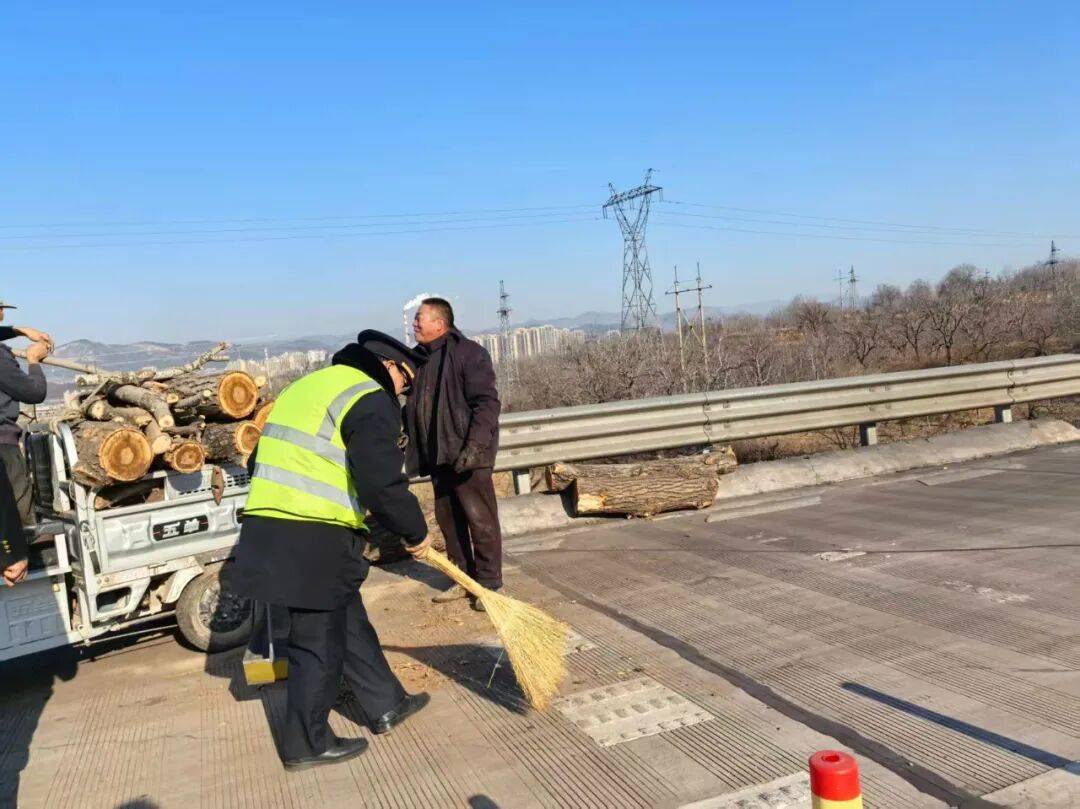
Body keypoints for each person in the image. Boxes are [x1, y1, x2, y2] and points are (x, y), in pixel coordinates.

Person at [228, 330, 432, 772]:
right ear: (388, 367)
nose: (402, 391)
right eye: (405, 381)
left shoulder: (307, 387)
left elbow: (259, 459)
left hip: (270, 527)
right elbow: (381, 481)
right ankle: (306, 743)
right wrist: (415, 533)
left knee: (346, 619)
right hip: (312, 534)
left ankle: (386, 702)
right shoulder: (369, 397)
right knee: (316, 643)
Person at [405, 298, 502, 610]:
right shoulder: (419, 358)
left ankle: (489, 585)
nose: (414, 323)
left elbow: (487, 404)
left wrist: (475, 446)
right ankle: (462, 579)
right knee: (449, 522)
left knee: (480, 520)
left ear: (439, 323)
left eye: (419, 318)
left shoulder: (469, 353)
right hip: (439, 454)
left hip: (468, 452)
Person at [0, 299, 52, 587]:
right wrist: (34, 360)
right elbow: (34, 393)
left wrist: (18, 331)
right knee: (16, 511)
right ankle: (16, 565)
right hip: (4, 446)